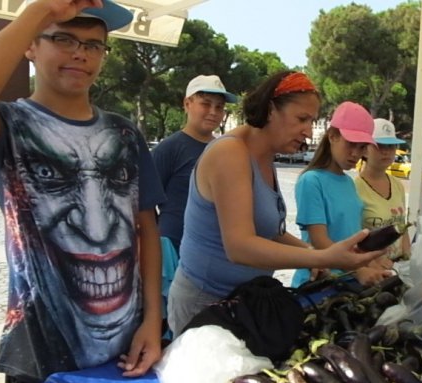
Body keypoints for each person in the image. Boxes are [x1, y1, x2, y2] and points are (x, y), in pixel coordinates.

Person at [0, 0, 166, 383]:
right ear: (30, 46)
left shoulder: (125, 134)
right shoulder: (8, 126)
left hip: (127, 347)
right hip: (39, 354)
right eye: (63, 38)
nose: (80, 53)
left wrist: (152, 319)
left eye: (93, 44)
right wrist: (38, 12)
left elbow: (147, 227)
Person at [166, 72, 383, 338]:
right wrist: (322, 256)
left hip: (244, 302)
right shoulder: (230, 153)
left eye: (312, 121)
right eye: (301, 119)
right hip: (205, 306)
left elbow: (270, 230)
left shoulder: (264, 157)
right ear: (270, 109)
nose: (307, 130)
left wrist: (309, 251)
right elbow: (240, 246)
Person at [291, 102, 394, 288]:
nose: (355, 153)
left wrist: (372, 264)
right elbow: (319, 241)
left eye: (362, 147)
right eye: (351, 144)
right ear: (332, 136)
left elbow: (352, 238)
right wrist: (358, 270)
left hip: (348, 284)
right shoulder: (311, 181)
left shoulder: (348, 182)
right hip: (318, 285)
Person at [152, 75, 238, 253]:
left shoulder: (226, 150)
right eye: (206, 104)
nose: (213, 112)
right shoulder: (169, 149)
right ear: (187, 104)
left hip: (214, 250)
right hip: (173, 249)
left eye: (219, 107)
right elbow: (143, 203)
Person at [355, 118, 410, 262]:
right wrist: (374, 263)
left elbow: (403, 229)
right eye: (379, 146)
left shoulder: (398, 185)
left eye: (391, 146)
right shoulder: (354, 188)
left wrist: (408, 258)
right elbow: (351, 237)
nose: (386, 152)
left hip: (398, 268)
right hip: (372, 270)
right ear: (365, 150)